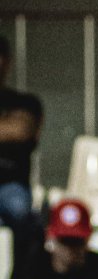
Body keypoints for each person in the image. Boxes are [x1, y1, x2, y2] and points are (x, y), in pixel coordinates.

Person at [0, 34, 44, 265]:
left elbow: (22, 130)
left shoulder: (25, 102)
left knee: (21, 213)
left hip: (11, 187)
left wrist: (11, 129)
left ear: (6, 61)